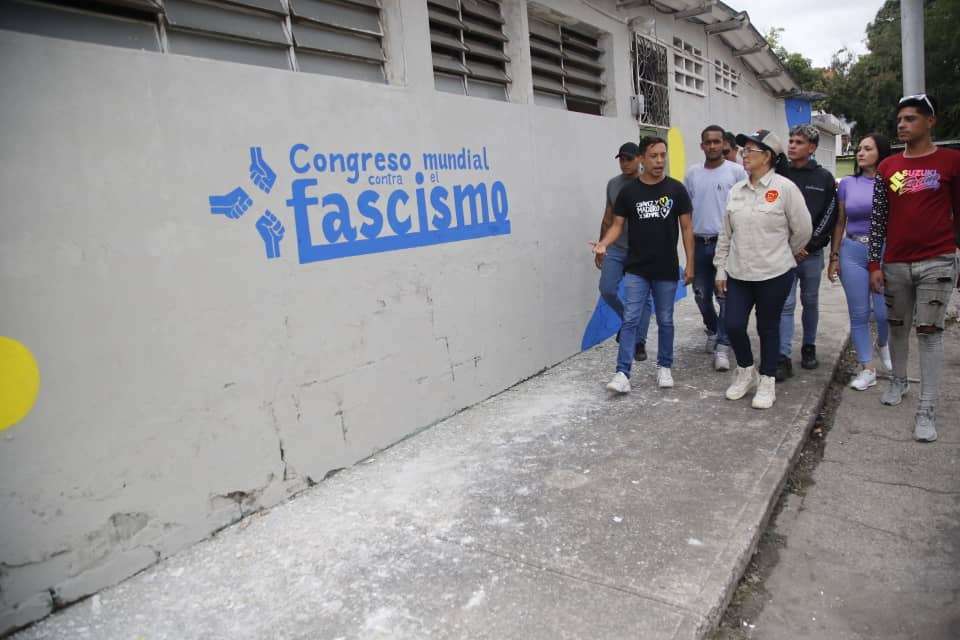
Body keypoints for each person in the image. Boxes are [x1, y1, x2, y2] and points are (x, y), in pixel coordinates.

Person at [869, 94, 960, 443]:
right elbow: (879, 220)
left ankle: (927, 408)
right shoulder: (888, 168)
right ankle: (899, 380)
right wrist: (874, 263)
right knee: (897, 327)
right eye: (900, 120)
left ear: (930, 122)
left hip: (937, 259)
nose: (902, 125)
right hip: (895, 264)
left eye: (910, 119)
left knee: (930, 332)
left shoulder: (951, 162)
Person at [714, 130, 812, 409]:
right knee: (733, 325)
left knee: (768, 328)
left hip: (774, 273)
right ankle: (746, 371)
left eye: (751, 151)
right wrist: (721, 269)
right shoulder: (737, 190)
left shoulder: (784, 188)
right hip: (739, 272)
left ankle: (767, 379)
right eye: (743, 150)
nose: (745, 155)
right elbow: (726, 234)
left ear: (768, 156)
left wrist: (784, 253)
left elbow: (803, 230)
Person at [593, 136, 695, 393]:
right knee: (630, 319)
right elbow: (616, 225)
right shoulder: (629, 192)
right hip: (637, 268)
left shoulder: (676, 189)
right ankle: (622, 373)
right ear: (643, 158)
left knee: (666, 320)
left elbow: (686, 228)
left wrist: (690, 263)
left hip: (666, 269)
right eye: (654, 156)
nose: (660, 161)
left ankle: (664, 366)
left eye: (663, 155)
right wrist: (603, 243)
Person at [827, 133, 893, 390]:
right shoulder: (848, 184)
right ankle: (868, 367)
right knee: (859, 313)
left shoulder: (890, 182)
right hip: (852, 249)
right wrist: (834, 256)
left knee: (884, 312)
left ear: (881, 152)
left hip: (884, 251)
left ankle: (884, 343)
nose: (861, 153)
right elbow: (840, 221)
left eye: (868, 149)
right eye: (859, 149)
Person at [776, 124, 838, 380]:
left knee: (809, 301)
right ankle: (782, 356)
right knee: (785, 305)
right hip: (783, 253)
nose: (792, 145)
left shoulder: (823, 178)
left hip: (811, 255)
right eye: (790, 141)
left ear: (811, 148)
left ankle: (809, 346)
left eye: (799, 142)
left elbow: (829, 215)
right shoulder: (780, 173)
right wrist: (789, 247)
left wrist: (809, 246)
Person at [684, 125, 748, 372]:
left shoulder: (737, 172)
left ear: (724, 144)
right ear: (702, 145)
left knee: (725, 296)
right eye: (707, 142)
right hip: (700, 244)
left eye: (716, 142)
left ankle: (723, 345)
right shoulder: (692, 174)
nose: (712, 146)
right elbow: (686, 214)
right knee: (700, 294)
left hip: (727, 245)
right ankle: (712, 329)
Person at [596, 142, 655, 361]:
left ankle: (639, 342)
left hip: (641, 252)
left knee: (643, 299)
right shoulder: (613, 184)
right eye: (621, 159)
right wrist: (601, 246)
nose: (624, 163)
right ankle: (630, 323)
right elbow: (607, 217)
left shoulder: (648, 183)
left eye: (628, 159)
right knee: (607, 289)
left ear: (639, 159)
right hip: (617, 248)